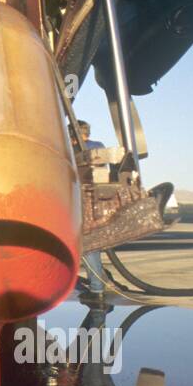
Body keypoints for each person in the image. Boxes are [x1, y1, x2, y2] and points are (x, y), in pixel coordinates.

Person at [75, 121, 109, 296]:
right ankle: (97, 286)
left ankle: (97, 288)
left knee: (88, 246)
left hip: (82, 200)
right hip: (96, 201)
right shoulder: (99, 148)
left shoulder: (77, 150)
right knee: (91, 245)